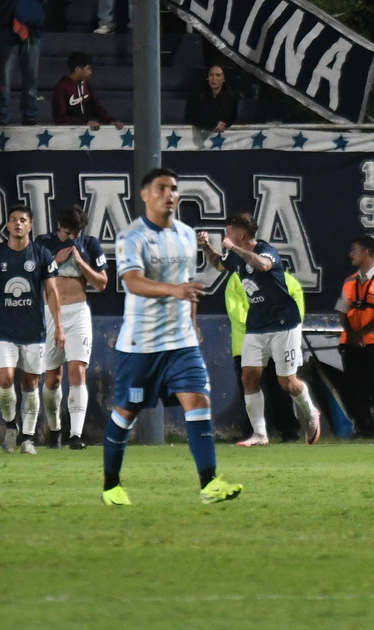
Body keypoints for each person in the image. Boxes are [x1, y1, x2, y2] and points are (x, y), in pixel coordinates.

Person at [105, 168, 242, 505]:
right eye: (162, 188)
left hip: (181, 343)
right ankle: (111, 486)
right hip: (141, 344)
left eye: (174, 188)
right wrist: (173, 290)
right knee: (126, 412)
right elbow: (132, 282)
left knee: (198, 401)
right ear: (145, 194)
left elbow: (188, 287)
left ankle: (209, 484)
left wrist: (191, 324)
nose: (170, 194)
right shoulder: (131, 236)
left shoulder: (186, 235)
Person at [198, 213, 322, 447]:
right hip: (257, 325)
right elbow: (219, 264)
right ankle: (259, 434)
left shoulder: (266, 250)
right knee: (248, 377)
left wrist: (233, 248)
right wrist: (206, 246)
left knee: (287, 383)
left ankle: (310, 412)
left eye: (229, 231)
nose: (226, 235)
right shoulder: (234, 255)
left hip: (284, 323)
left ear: (241, 235)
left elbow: (263, 265)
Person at [0, 205, 63, 455]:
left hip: (33, 330)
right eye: (13, 220)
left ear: (30, 226)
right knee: (5, 379)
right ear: (7, 225)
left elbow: (52, 292)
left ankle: (27, 438)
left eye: (23, 220)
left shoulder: (42, 254)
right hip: (2, 328)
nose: (18, 224)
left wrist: (59, 326)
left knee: (30, 383)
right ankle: (10, 425)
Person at [34, 204, 107, 450]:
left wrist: (81, 263)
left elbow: (102, 283)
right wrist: (56, 260)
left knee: (78, 371)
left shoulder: (90, 245)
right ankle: (55, 429)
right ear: (59, 226)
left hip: (78, 313)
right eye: (67, 233)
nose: (71, 237)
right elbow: (33, 276)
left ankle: (76, 435)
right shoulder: (43, 243)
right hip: (50, 313)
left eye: (75, 233)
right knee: (53, 378)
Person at [226, 270, 303, 443]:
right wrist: (264, 327)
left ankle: (289, 431)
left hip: (278, 342)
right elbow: (235, 311)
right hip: (247, 344)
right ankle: (254, 432)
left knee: (282, 388)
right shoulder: (236, 278)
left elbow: (296, 312)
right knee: (250, 388)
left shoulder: (286, 279)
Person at [334, 236, 374, 438]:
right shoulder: (349, 281)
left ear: (366, 252)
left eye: (354, 250)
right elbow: (342, 313)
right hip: (352, 345)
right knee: (356, 389)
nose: (350, 254)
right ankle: (363, 430)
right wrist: (352, 335)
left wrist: (360, 334)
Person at [0, 0, 44, 125]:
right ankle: (1, 114)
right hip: (7, 26)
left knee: (31, 76)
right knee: (4, 77)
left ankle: (29, 115)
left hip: (32, 26)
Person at [51, 51, 123, 130]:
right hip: (70, 133)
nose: (90, 72)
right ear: (78, 69)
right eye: (88, 68)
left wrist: (111, 121)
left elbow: (97, 107)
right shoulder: (61, 88)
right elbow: (60, 118)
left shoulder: (86, 86)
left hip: (88, 131)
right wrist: (85, 123)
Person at [183, 64, 237, 133]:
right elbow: (190, 117)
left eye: (218, 75)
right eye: (211, 75)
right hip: (199, 133)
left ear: (223, 79)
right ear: (207, 78)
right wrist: (213, 124)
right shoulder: (198, 94)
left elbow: (232, 118)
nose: (214, 78)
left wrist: (222, 124)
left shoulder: (230, 96)